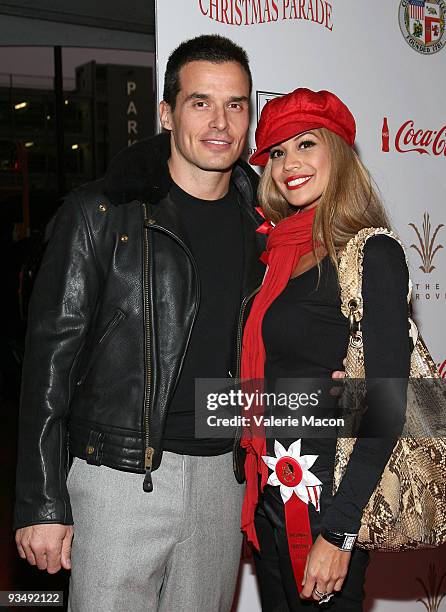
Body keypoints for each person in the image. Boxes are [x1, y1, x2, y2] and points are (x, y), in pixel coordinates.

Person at [14, 34, 267, 612]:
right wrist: (42, 504)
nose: (220, 122)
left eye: (236, 104)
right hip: (117, 478)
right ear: (167, 112)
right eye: (200, 102)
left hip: (223, 481)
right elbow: (50, 365)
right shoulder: (101, 214)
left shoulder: (265, 223)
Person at [240, 88, 410, 611]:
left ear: (336, 151)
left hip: (326, 504)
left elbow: (388, 403)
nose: (290, 164)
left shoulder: (371, 252)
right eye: (277, 152)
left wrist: (340, 532)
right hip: (270, 491)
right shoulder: (272, 255)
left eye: (306, 144)